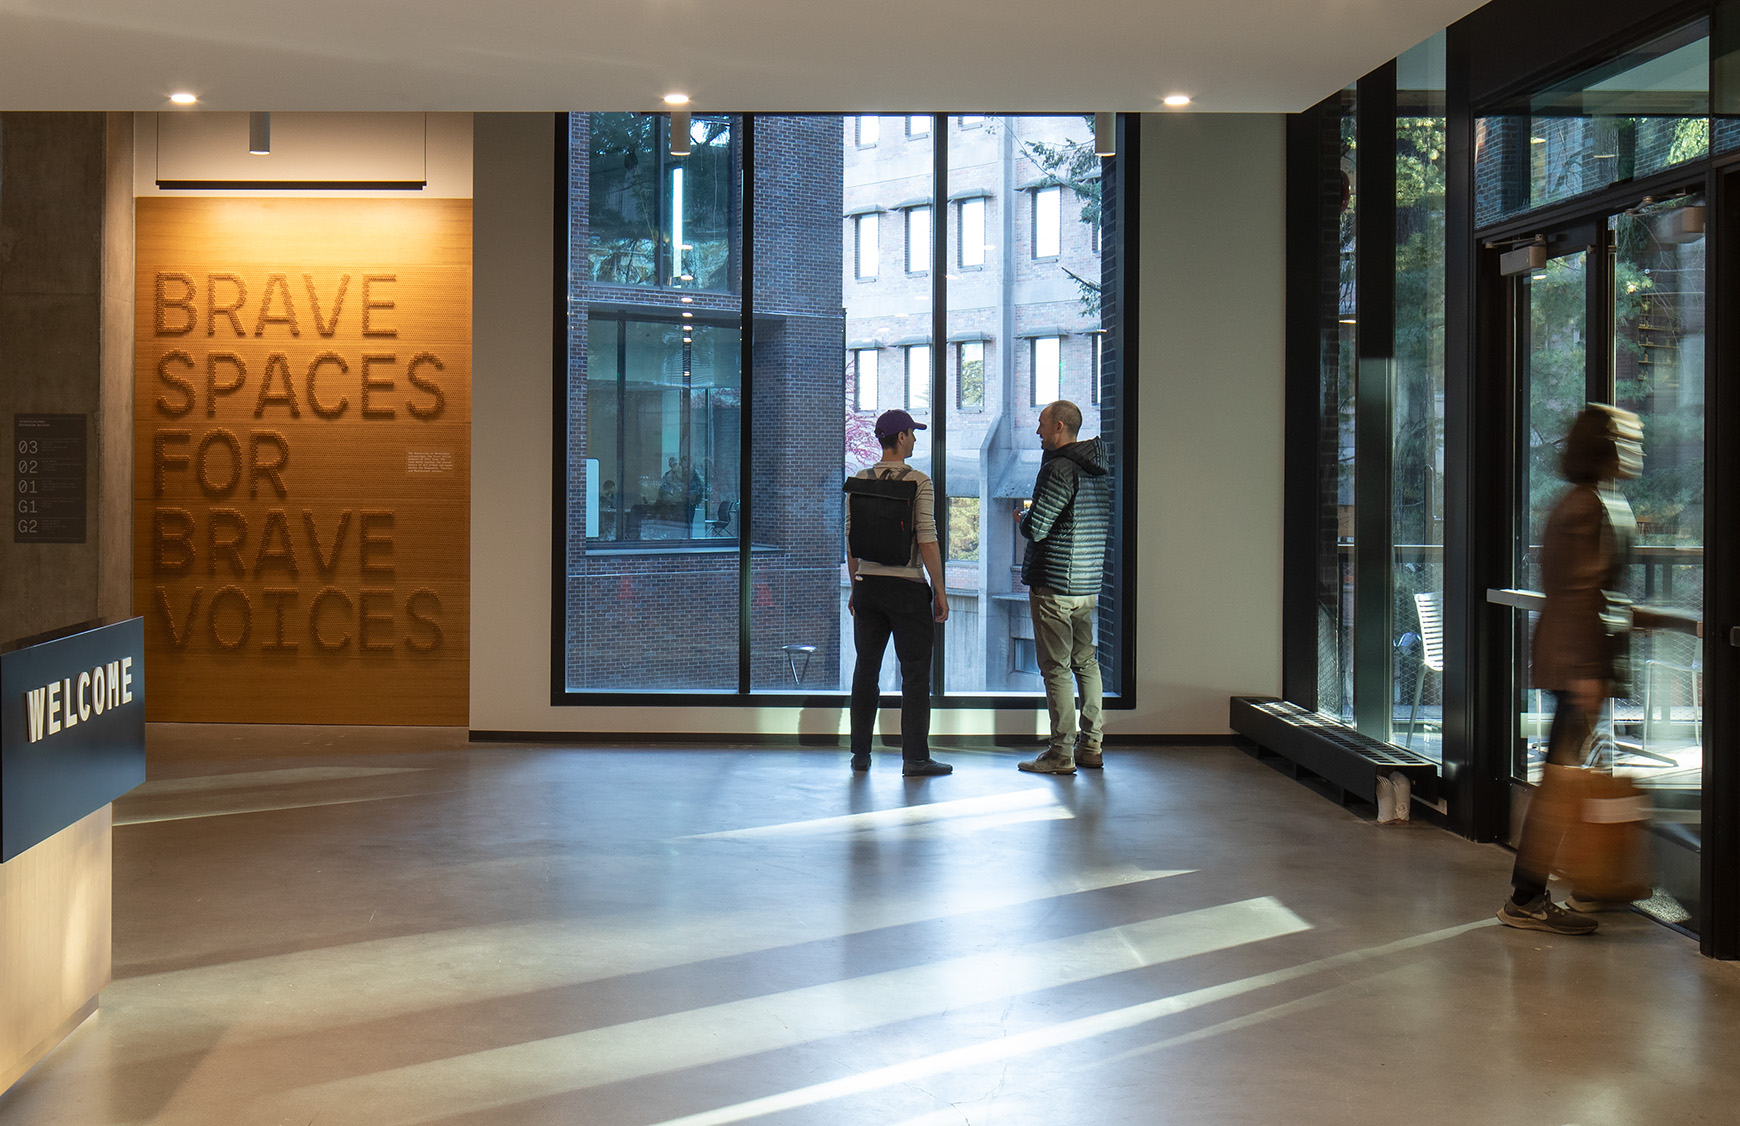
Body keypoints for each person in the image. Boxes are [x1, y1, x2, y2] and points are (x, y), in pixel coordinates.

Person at [1498, 404, 1688, 934]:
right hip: (1575, 666)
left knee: (1562, 781)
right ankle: (1526, 899)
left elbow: (1600, 597)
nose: (1639, 451)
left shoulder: (1592, 500)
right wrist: (1586, 675)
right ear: (1605, 448)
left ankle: (1570, 888)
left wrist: (1673, 620)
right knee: (1560, 785)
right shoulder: (1589, 507)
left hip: (1575, 662)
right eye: (1631, 441)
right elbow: (1582, 596)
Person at [846, 409, 952, 777]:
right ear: (902, 437)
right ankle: (915, 759)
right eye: (913, 433)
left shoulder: (859, 480)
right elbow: (927, 538)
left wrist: (855, 583)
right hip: (907, 589)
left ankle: (860, 754)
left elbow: (851, 540)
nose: (916, 439)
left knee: (866, 669)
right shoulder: (919, 481)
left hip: (868, 588)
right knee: (916, 674)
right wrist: (939, 590)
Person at [1017, 400, 1112, 775]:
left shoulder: (1058, 469)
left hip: (1054, 583)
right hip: (1086, 585)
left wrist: (1024, 515)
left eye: (1041, 424)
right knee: (1086, 663)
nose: (1038, 431)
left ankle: (1061, 753)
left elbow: (1037, 528)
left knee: (1056, 668)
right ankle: (1091, 746)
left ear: (1059, 426)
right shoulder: (1098, 470)